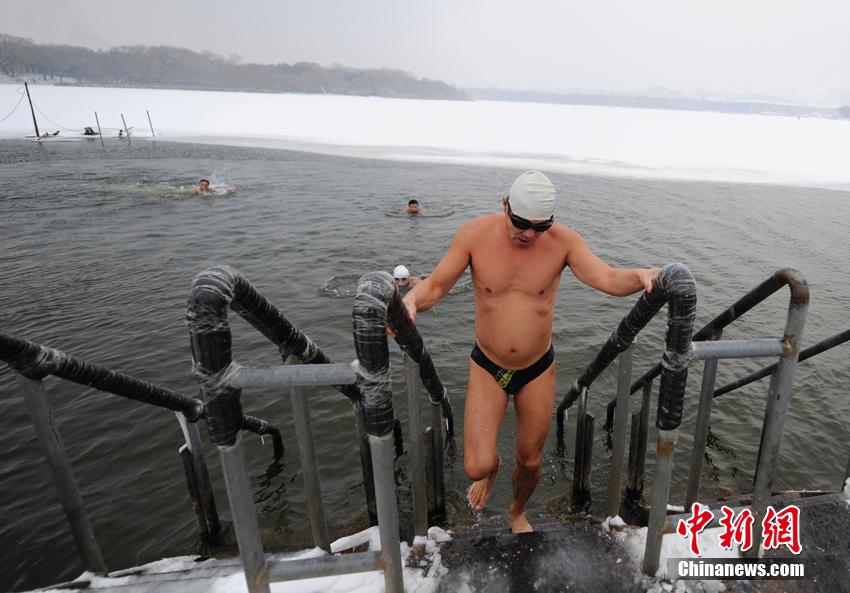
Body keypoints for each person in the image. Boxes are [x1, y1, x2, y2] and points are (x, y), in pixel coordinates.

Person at [401, 171, 660, 534]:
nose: (529, 234)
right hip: (488, 365)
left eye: (540, 227)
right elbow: (436, 285)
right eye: (521, 223)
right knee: (475, 465)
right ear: (505, 204)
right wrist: (411, 301)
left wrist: (642, 275)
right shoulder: (475, 235)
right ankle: (492, 469)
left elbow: (606, 278)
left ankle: (516, 510)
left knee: (531, 461)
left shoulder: (563, 242)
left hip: (536, 368)